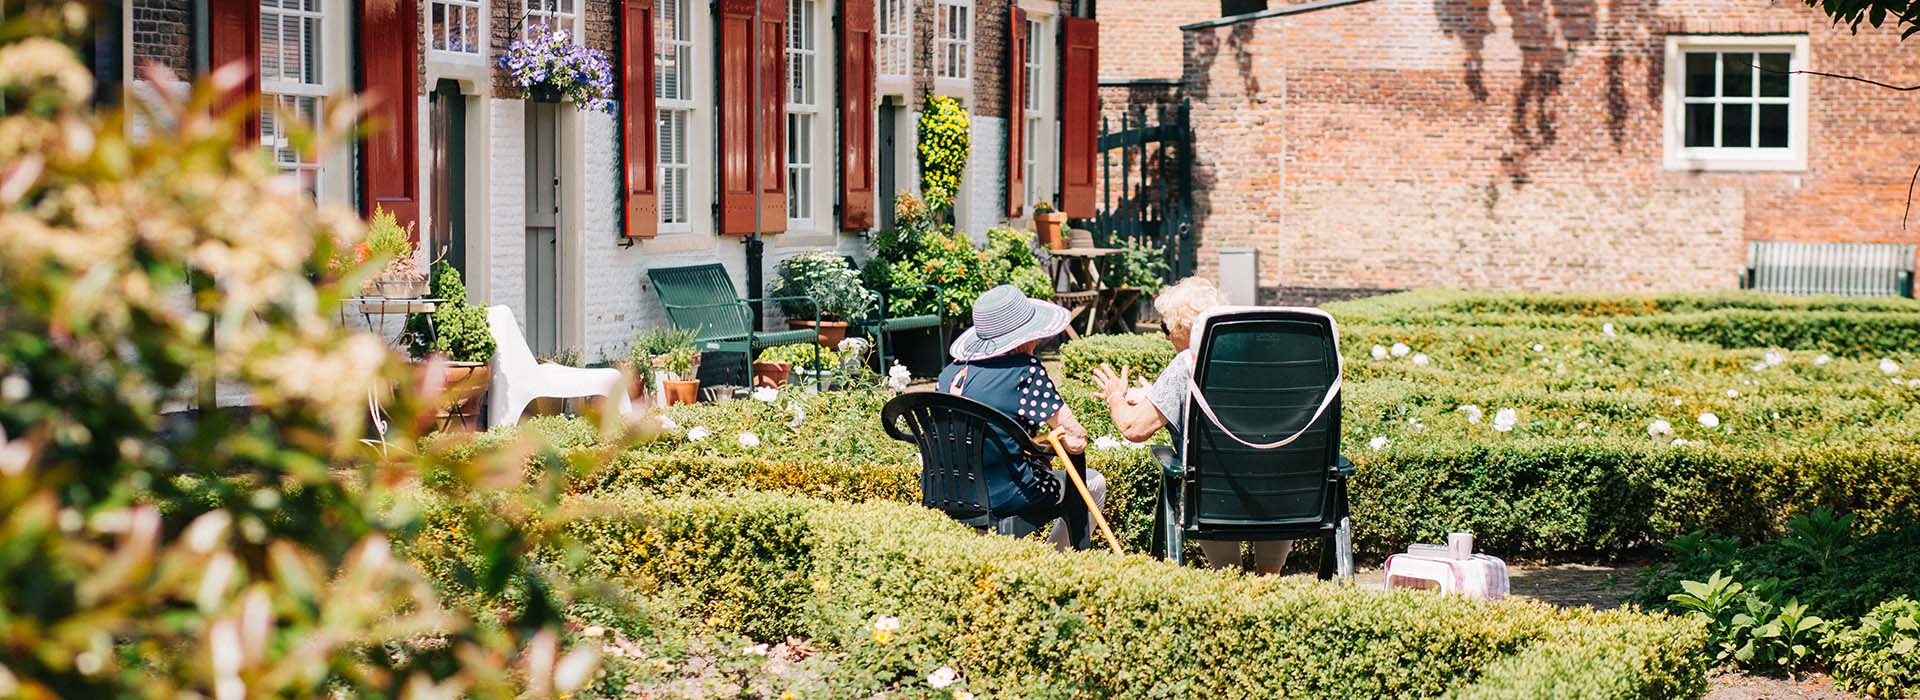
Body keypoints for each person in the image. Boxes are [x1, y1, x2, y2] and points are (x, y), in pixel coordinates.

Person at [1091, 277, 1292, 575]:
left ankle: (1229, 578)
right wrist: (1157, 396)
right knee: (1262, 470)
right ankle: (1269, 575)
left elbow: (1132, 428)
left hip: (1216, 497)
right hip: (1284, 494)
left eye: (1164, 328)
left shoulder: (1187, 362)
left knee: (1201, 477)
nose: (1164, 337)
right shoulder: (1266, 360)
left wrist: (1115, 397)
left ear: (1183, 328)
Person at [937, 285, 1104, 551]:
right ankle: (1057, 563)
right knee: (1094, 483)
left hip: (946, 492)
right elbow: (1075, 440)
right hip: (1005, 495)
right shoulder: (1024, 371)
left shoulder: (949, 375)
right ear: (1023, 338)